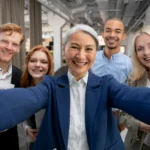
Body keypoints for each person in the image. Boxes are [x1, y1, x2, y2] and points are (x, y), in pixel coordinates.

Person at [0, 24, 150, 150]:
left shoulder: (106, 85)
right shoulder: (51, 85)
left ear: (95, 53)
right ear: (64, 49)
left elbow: (133, 98)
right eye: (75, 47)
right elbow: (25, 100)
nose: (81, 55)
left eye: (89, 49)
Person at [91, 17, 132, 132]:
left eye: (117, 31)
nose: (112, 35)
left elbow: (130, 95)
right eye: (108, 30)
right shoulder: (92, 58)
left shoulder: (129, 64)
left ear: (123, 36)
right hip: (90, 112)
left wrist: (122, 124)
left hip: (115, 116)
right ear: (103, 34)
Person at [120, 26, 150, 150]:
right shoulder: (134, 79)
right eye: (140, 49)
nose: (147, 52)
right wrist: (140, 125)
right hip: (139, 144)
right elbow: (123, 115)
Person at [21, 45, 53, 150]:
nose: (37, 65)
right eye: (33, 61)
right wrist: (26, 129)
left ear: (49, 66)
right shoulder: (22, 87)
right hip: (31, 144)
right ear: (27, 63)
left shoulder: (56, 90)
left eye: (43, 62)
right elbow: (20, 115)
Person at [0, 23, 24, 150]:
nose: (9, 47)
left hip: (9, 141)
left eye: (14, 44)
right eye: (4, 41)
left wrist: (27, 128)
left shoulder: (19, 76)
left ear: (19, 48)